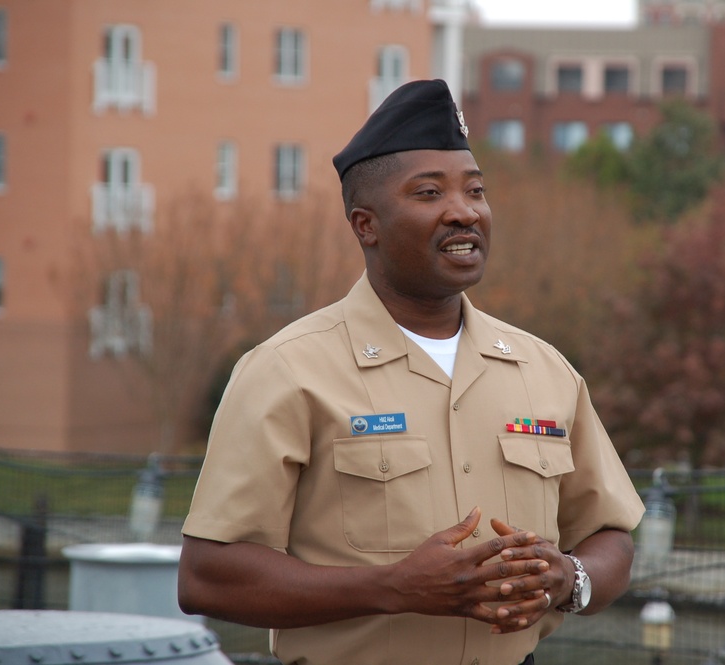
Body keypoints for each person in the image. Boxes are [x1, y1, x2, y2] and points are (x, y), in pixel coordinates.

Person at [178, 79, 644, 665]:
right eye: (428, 193)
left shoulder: (544, 369)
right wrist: (394, 588)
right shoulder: (287, 370)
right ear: (365, 225)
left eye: (475, 191)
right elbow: (208, 578)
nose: (463, 211)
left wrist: (568, 578)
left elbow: (612, 538)